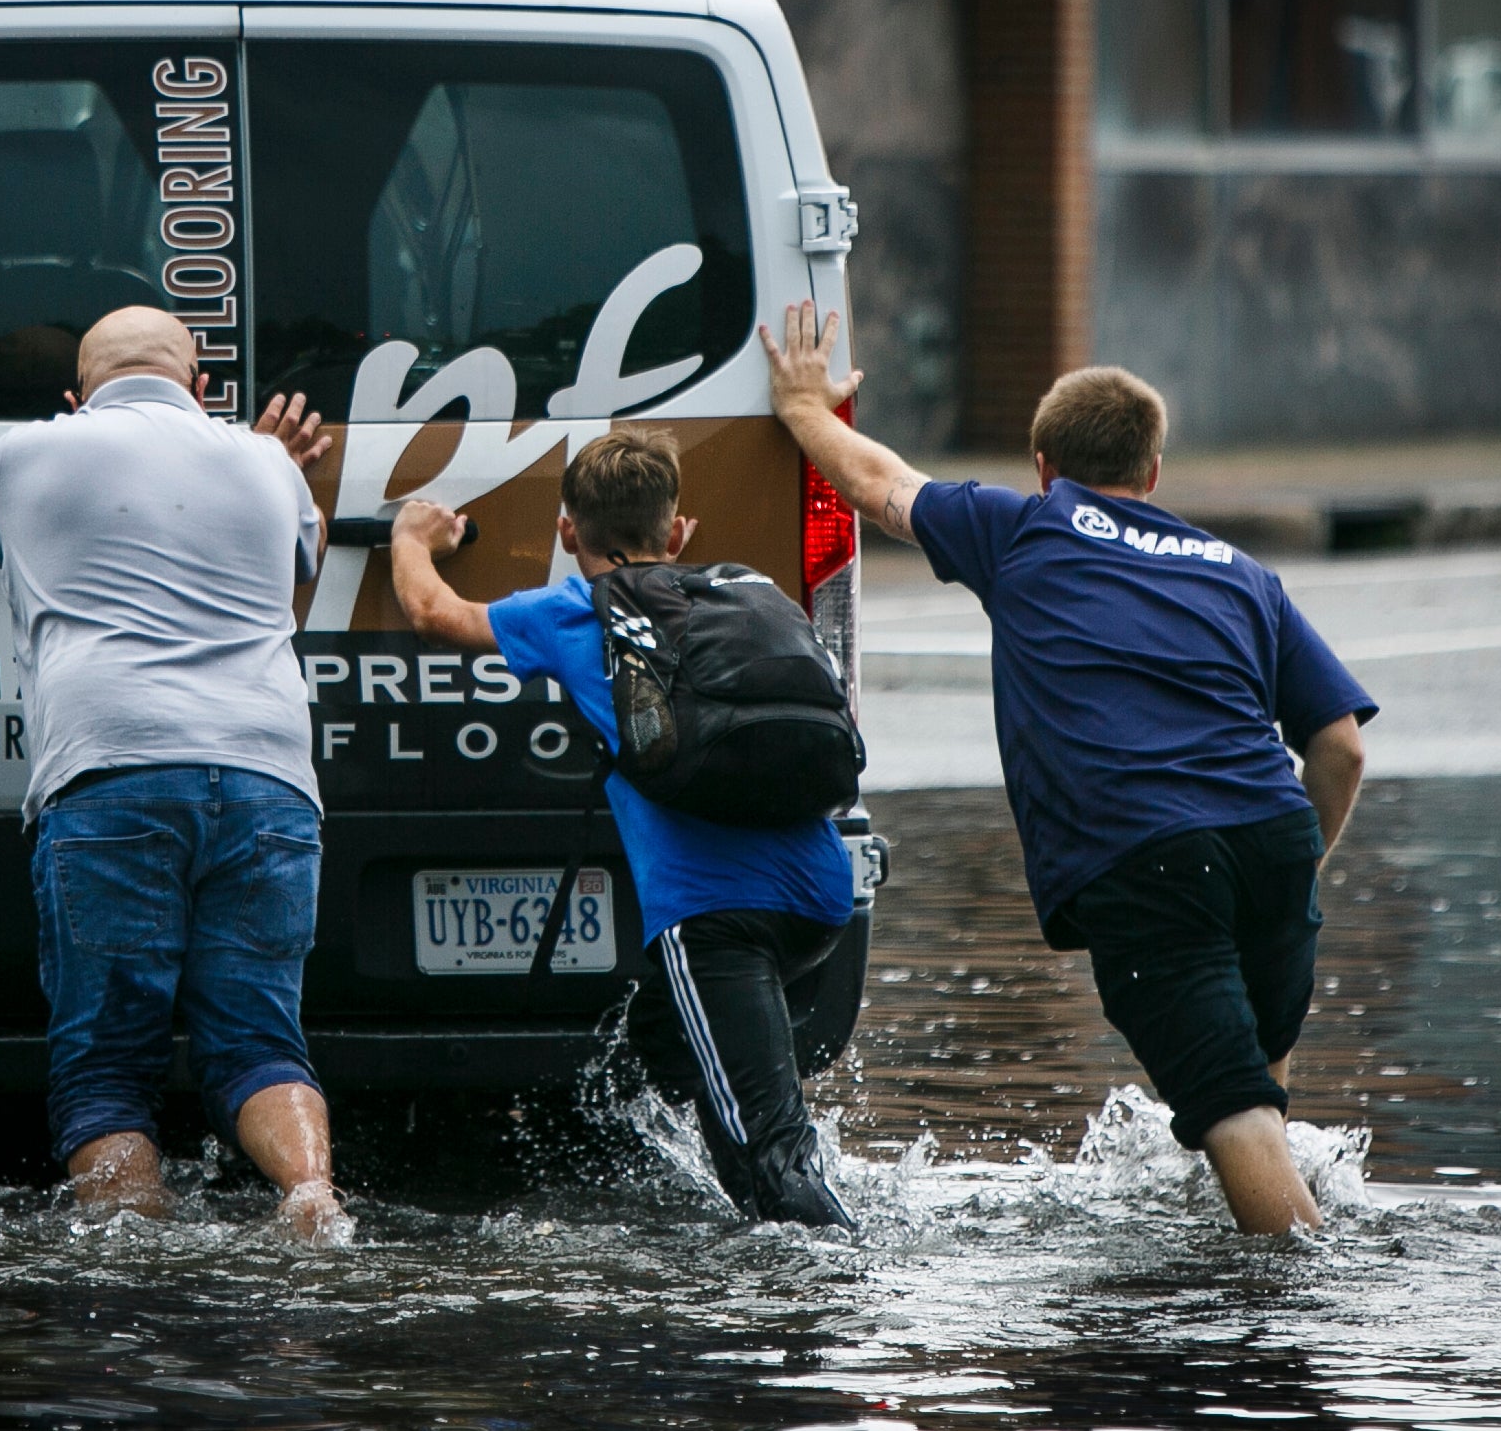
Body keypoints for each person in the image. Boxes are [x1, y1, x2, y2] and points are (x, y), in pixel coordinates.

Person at [762, 305, 1374, 1234]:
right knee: (1258, 1080)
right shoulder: (1239, 570)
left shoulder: (1024, 528)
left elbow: (876, 480)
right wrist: (1296, 868)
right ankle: (1261, 1271)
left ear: (1043, 466)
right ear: (1153, 471)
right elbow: (1340, 746)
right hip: (1273, 835)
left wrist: (805, 406)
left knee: (1231, 1111)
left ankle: (1297, 1318)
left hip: (1148, 853)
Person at [0, 308, 347, 1239]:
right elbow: (300, 571)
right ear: (200, 385)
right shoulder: (266, 463)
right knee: (258, 1040)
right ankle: (310, 1195)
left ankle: (130, 1277)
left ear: (76, 394)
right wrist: (262, 463)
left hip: (109, 770)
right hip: (267, 776)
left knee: (105, 1068)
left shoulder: (37, 450)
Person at [389, 430, 858, 1228]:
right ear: (677, 533)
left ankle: (834, 1295)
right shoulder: (744, 592)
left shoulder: (573, 611)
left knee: (774, 1146)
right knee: (665, 1045)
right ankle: (750, 1240)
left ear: (568, 532)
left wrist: (410, 535)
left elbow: (434, 613)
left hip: (715, 921)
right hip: (821, 899)